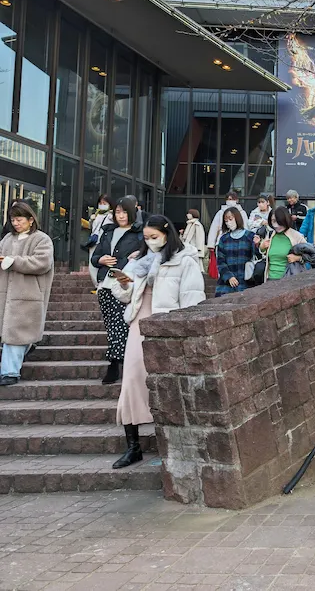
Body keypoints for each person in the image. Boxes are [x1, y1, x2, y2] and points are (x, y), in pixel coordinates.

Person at [109, 214, 204, 468]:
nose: (150, 242)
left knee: (169, 384)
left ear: (166, 233)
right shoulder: (139, 260)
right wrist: (123, 283)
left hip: (166, 325)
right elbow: (124, 295)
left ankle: (178, 444)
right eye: (147, 238)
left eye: (155, 237)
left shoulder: (185, 260)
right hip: (139, 322)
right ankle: (133, 446)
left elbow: (192, 299)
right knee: (130, 380)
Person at [0, 202, 53, 386]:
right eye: (13, 219)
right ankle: (15, 362)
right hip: (6, 295)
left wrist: (13, 261)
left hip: (28, 295)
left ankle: (10, 372)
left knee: (15, 335)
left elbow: (42, 262)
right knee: (11, 335)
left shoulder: (41, 239)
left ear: (31, 220)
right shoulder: (7, 239)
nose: (15, 223)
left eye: (19, 219)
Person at [92, 196, 143, 385]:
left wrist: (138, 254)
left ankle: (115, 364)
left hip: (123, 284)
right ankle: (118, 360)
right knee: (111, 325)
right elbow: (95, 256)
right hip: (104, 283)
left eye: (124, 211)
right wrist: (101, 260)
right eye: (118, 212)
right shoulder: (107, 231)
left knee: (119, 324)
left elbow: (149, 254)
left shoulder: (138, 234)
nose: (121, 215)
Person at [256, 207, 307, 281]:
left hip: (290, 280)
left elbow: (312, 255)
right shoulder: (270, 235)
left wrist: (298, 258)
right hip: (270, 279)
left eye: (279, 221)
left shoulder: (296, 236)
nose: (276, 225)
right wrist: (262, 247)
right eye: (273, 221)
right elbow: (264, 254)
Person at [214, 207, 256, 296]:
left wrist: (260, 245)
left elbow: (256, 256)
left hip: (246, 282)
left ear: (237, 218)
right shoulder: (224, 239)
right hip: (226, 285)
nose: (228, 222)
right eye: (226, 220)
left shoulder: (250, 236)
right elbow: (220, 262)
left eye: (230, 219)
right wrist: (229, 276)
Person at [85, 195, 114, 287]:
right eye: (100, 203)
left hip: (104, 242)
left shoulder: (111, 216)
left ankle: (100, 284)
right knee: (92, 264)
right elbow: (91, 228)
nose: (102, 205)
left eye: (104, 203)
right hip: (94, 241)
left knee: (102, 262)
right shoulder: (96, 215)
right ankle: (96, 284)